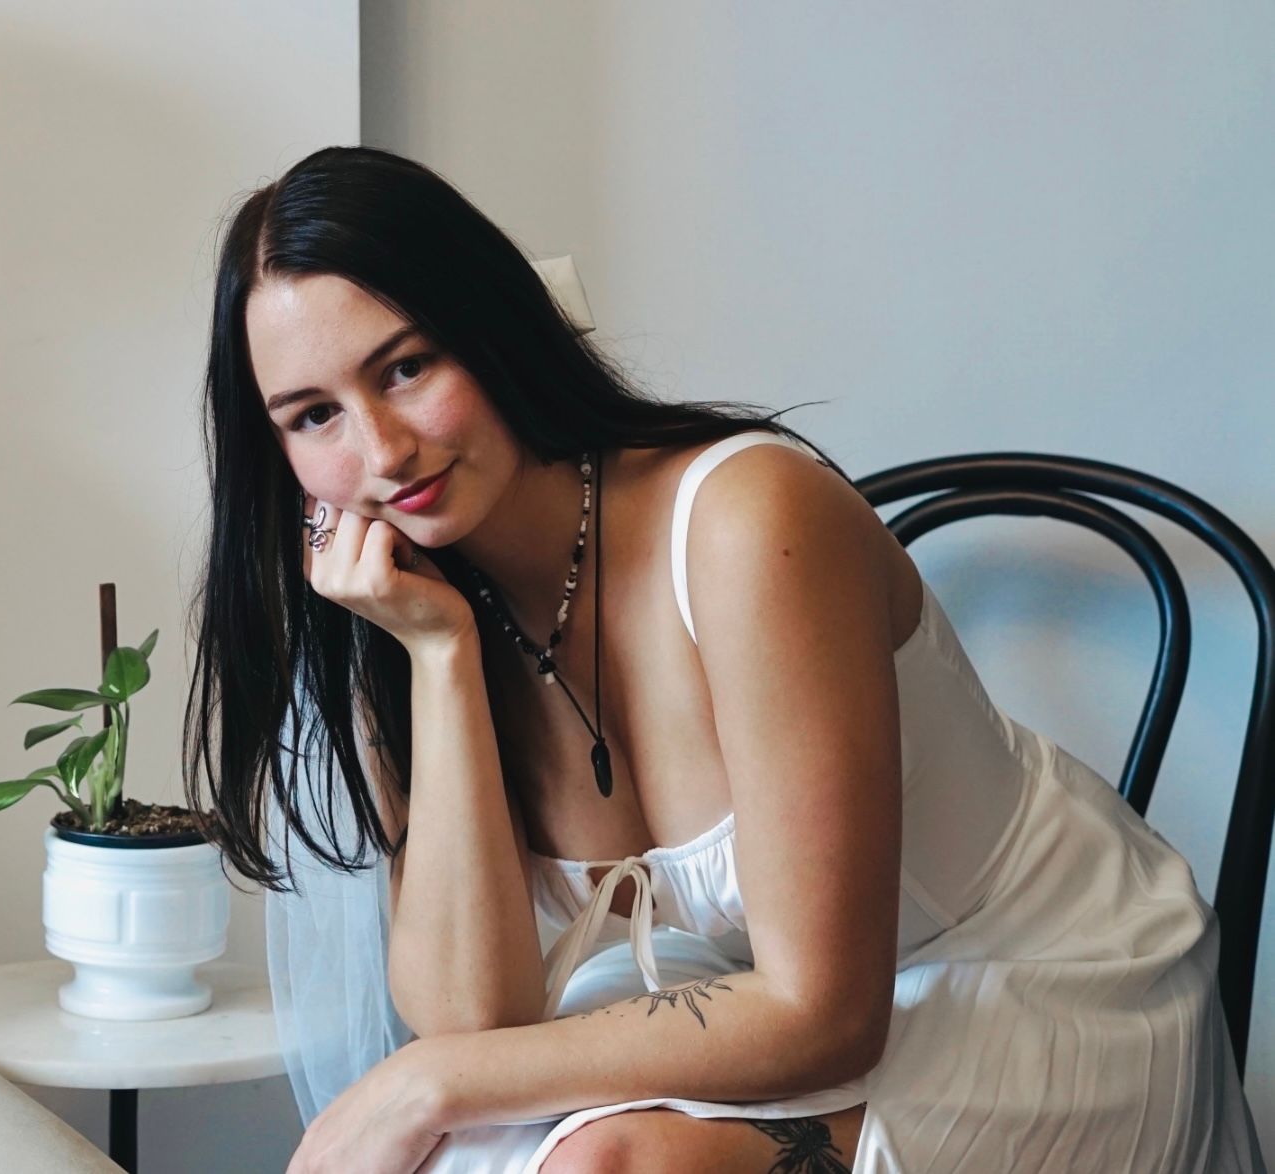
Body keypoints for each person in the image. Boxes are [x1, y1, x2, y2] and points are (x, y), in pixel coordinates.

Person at [183, 144, 1266, 1173]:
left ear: (490, 324)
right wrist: (440, 655)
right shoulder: (404, 609)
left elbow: (823, 1015)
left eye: (407, 365)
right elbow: (476, 1017)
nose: (380, 454)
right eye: (314, 414)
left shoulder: (748, 522)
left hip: (1039, 989)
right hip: (765, 1010)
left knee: (596, 1157)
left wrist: (426, 1080)